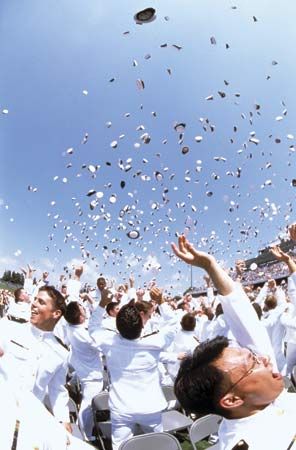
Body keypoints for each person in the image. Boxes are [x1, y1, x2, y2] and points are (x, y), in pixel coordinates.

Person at [171, 234, 296, 450]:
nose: (265, 359)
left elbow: (248, 326)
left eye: (254, 356)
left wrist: (210, 266)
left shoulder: (261, 399)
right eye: (253, 363)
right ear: (232, 400)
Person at [89, 288, 178, 450]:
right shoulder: (155, 342)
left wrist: (102, 303)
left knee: (121, 447)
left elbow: (93, 326)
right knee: (158, 446)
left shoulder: (108, 341)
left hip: (121, 409)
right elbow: (173, 324)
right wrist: (162, 302)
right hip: (150, 408)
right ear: (142, 324)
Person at [0, 285, 71, 431]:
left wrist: (63, 420)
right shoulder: (8, 329)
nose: (34, 303)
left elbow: (57, 389)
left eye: (41, 302)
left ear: (56, 313)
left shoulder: (61, 352)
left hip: (28, 421)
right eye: (35, 299)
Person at [64, 301, 104, 441]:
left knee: (88, 405)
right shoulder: (84, 335)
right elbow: (101, 346)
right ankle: (83, 435)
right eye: (82, 308)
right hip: (92, 375)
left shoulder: (71, 327)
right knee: (87, 407)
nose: (85, 309)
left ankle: (85, 431)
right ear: (80, 316)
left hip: (83, 371)